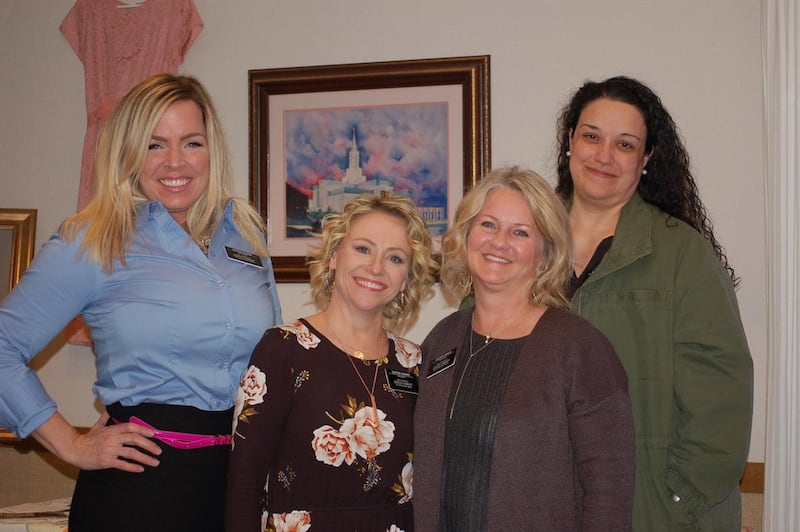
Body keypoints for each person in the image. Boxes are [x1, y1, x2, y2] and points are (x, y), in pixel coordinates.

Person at [0, 73, 282, 531]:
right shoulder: (92, 242)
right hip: (138, 492)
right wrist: (71, 445)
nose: (175, 162)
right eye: (155, 145)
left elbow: (275, 363)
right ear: (129, 153)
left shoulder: (246, 235)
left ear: (212, 150)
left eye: (191, 143)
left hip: (236, 486)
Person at [555, 75, 753, 531]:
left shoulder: (682, 253)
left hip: (655, 510)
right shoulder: (521, 242)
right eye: (591, 136)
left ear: (645, 159)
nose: (604, 155)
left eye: (624, 144)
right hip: (546, 502)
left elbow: (722, 394)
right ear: (570, 142)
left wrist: (680, 498)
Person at [414, 166, 635, 531]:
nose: (499, 242)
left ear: (545, 255)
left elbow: (610, 490)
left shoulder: (579, 348)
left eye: (520, 232)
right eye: (488, 225)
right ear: (466, 234)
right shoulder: (442, 338)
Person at [225, 193, 438, 531]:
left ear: (406, 280)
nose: (376, 267)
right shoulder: (283, 349)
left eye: (395, 258)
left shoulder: (413, 362)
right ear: (334, 256)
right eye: (363, 248)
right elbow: (243, 485)